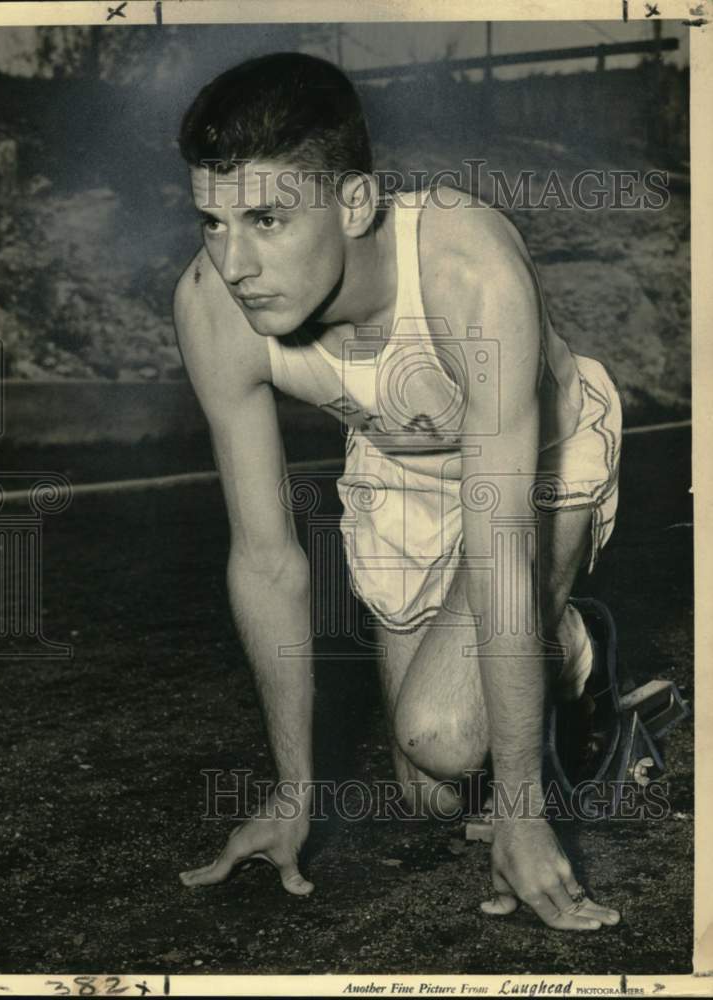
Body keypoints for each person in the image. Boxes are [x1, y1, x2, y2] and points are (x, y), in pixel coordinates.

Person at [173, 51, 622, 932]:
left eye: (266, 218)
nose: (234, 260)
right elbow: (266, 562)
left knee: (442, 733)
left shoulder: (468, 272)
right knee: (429, 796)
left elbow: (499, 545)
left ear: (354, 203)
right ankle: (534, 658)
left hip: (539, 461)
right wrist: (296, 792)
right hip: (398, 462)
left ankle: (570, 646)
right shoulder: (210, 307)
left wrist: (527, 813)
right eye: (212, 223)